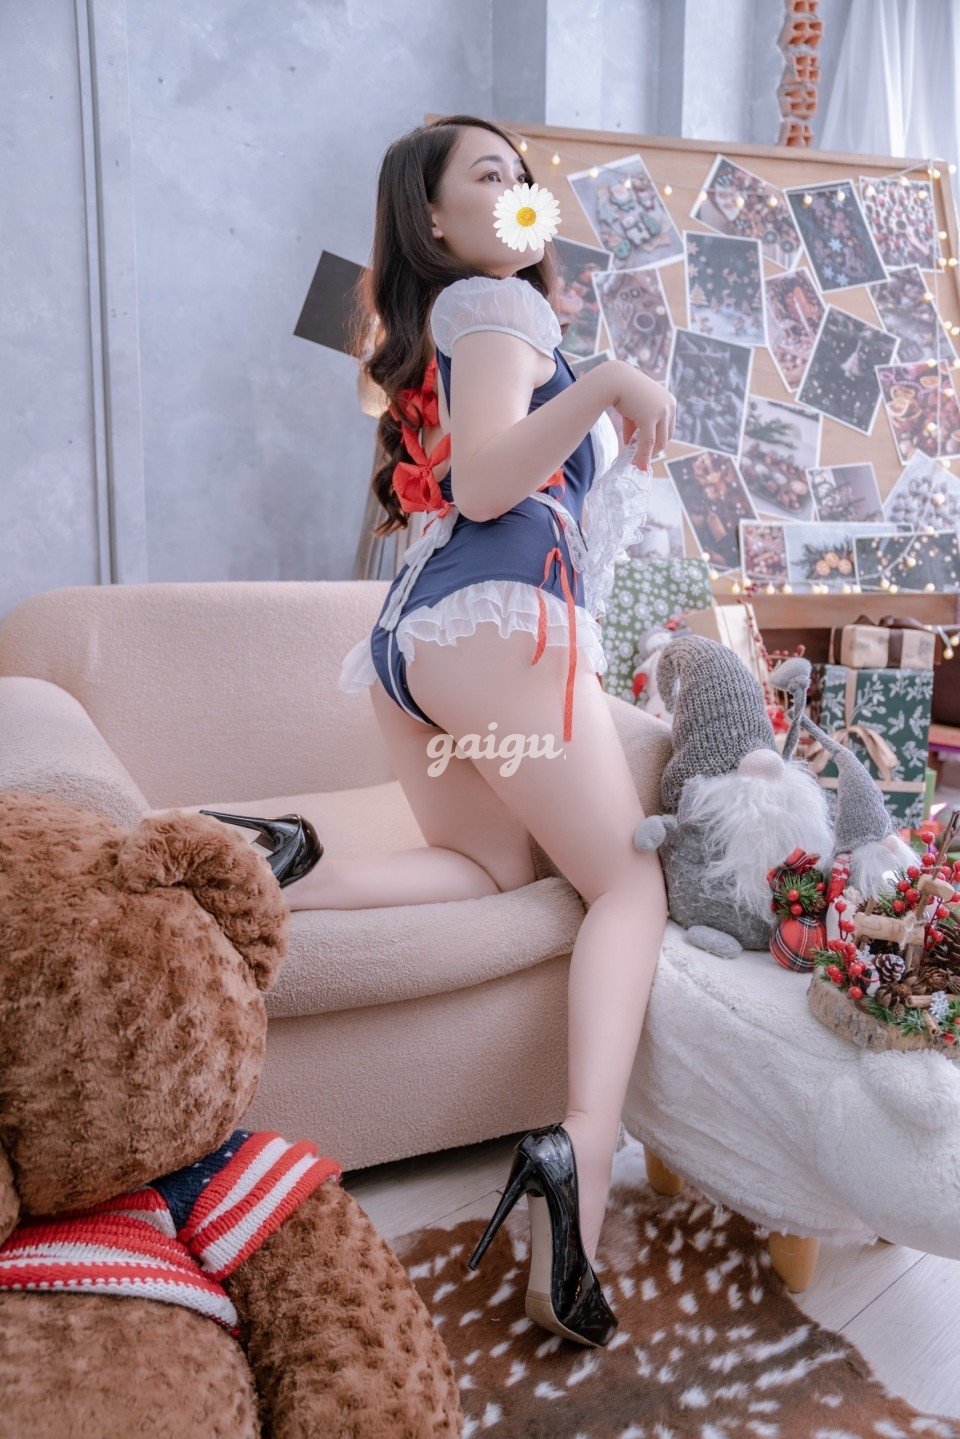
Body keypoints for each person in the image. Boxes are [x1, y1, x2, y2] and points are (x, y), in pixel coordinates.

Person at [207, 115, 673, 1349]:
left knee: (488, 865)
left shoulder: (451, 325)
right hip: (494, 626)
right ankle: (583, 1152)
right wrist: (610, 385)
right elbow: (485, 484)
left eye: (524, 175)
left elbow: (459, 488)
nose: (518, 189)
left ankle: (269, 866)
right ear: (430, 217)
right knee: (632, 884)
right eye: (488, 173)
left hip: (418, 646)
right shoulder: (500, 308)